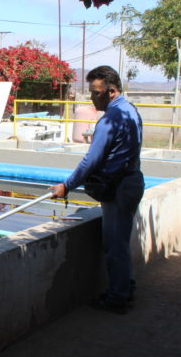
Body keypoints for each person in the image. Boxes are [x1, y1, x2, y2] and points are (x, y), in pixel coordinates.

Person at [49, 66, 144, 314]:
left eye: (96, 92)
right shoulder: (130, 110)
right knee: (120, 241)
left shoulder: (111, 119)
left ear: (111, 91)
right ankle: (126, 287)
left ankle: (117, 298)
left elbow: (91, 160)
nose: (92, 98)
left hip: (121, 186)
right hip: (131, 181)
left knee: (114, 244)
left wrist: (67, 185)